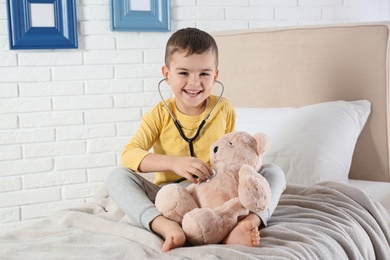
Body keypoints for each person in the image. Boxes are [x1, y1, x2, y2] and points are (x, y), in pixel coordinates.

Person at [105, 27, 286, 252]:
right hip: (169, 198)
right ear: (166, 74)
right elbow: (129, 154)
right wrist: (174, 163)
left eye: (204, 74)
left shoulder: (223, 109)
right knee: (117, 177)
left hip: (216, 195)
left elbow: (232, 158)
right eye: (183, 73)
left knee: (273, 172)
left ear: (215, 76)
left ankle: (249, 223)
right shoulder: (159, 114)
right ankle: (165, 226)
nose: (194, 82)